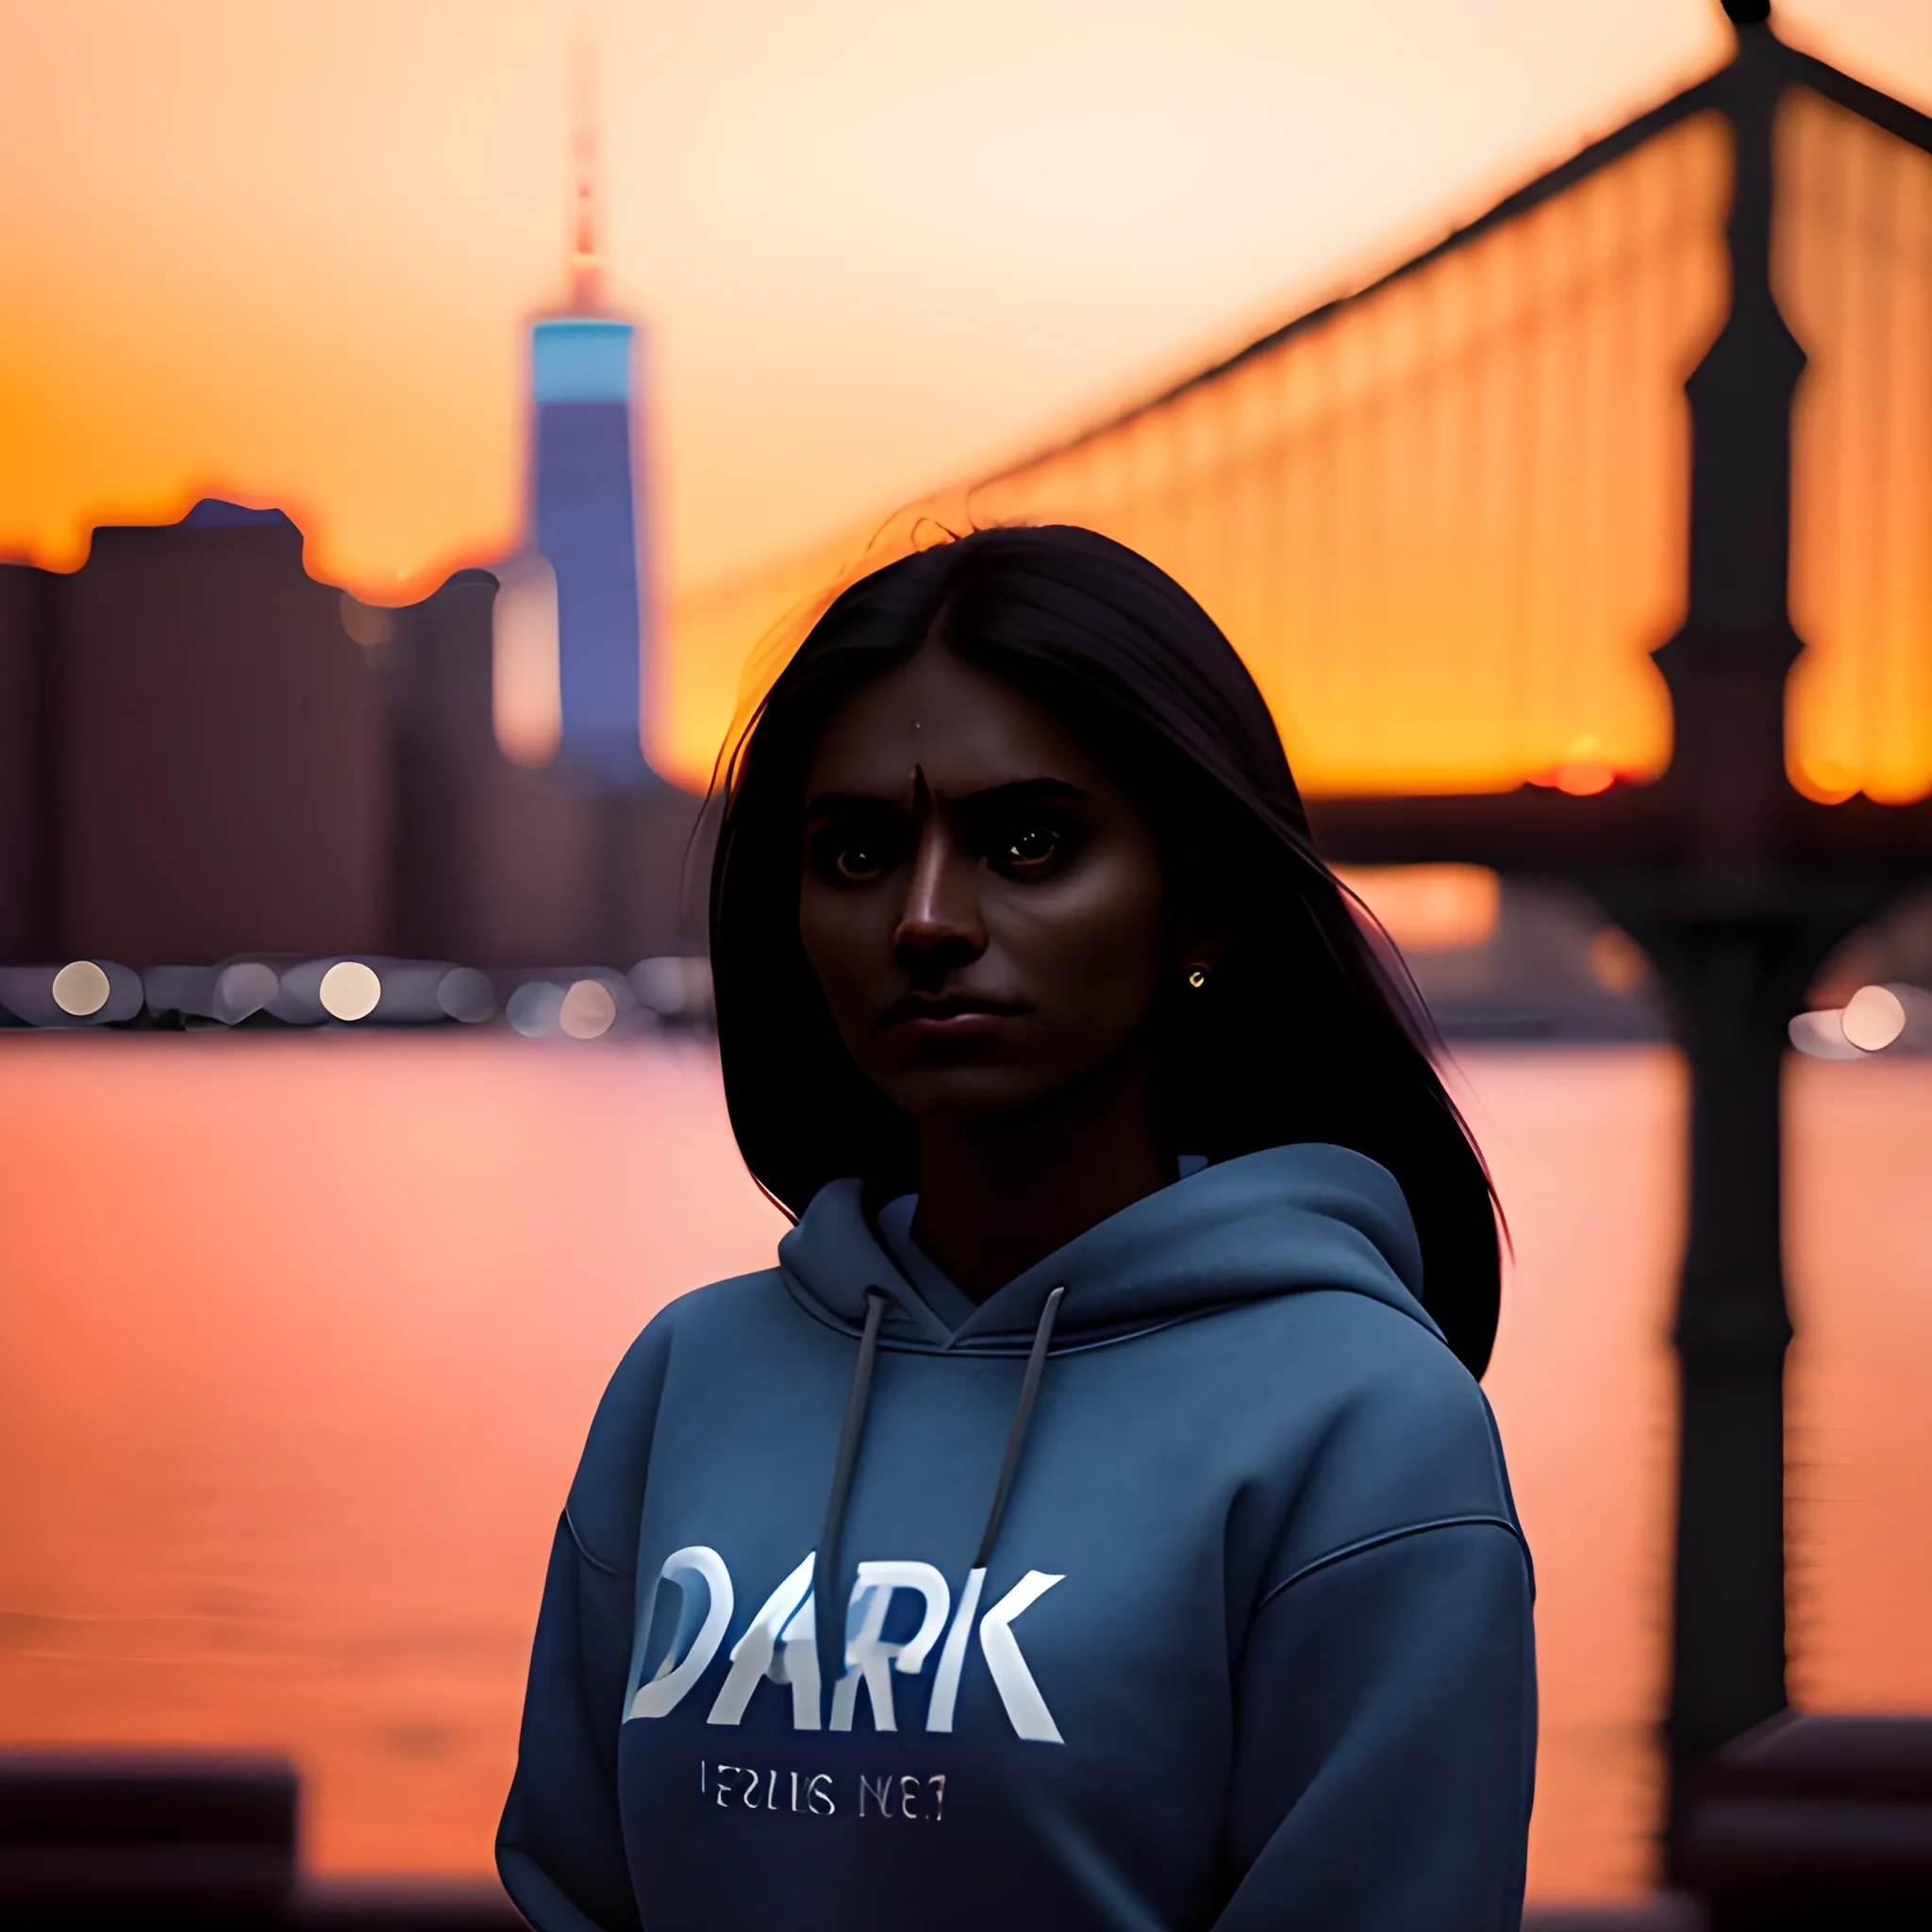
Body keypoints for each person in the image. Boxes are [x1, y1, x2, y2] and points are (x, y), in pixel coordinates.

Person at [497, 525, 1536, 1930]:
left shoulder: (1365, 1426)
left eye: (1028, 843)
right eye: (857, 851)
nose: (925, 919)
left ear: (1205, 902)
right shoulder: (687, 1380)